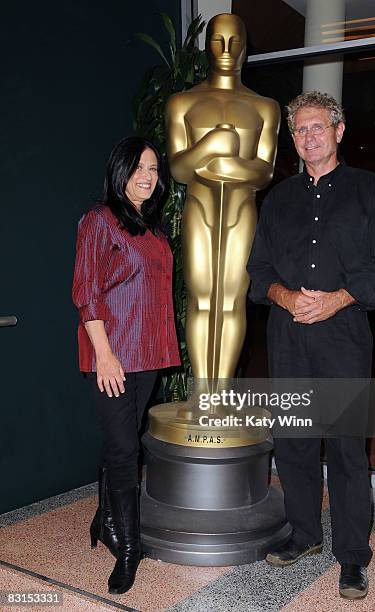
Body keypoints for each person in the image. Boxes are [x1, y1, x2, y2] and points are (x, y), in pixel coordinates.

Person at [247, 92, 375, 600]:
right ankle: (305, 535)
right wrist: (287, 296)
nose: (308, 137)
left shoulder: (369, 191)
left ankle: (353, 557)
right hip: (287, 337)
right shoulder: (277, 199)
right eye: (299, 130)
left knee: (347, 449)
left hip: (343, 336)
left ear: (338, 132)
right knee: (293, 442)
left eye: (317, 127)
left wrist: (336, 299)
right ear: (292, 139)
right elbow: (258, 272)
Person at [72, 136, 180, 594]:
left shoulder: (154, 232)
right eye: (138, 167)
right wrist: (105, 354)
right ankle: (129, 548)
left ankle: (103, 517)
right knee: (123, 450)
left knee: (124, 442)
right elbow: (86, 291)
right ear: (120, 171)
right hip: (113, 354)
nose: (147, 176)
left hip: (150, 353)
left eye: (154, 169)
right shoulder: (99, 220)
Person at [165, 13, 280, 384]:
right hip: (199, 208)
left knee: (232, 300)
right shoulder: (182, 102)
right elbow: (179, 168)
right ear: (207, 46)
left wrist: (221, 163)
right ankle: (202, 391)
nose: (227, 49)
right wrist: (212, 144)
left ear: (245, 46)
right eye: (218, 41)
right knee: (201, 298)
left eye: (234, 41)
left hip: (241, 210)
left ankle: (221, 392)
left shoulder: (264, 107)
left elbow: (264, 173)